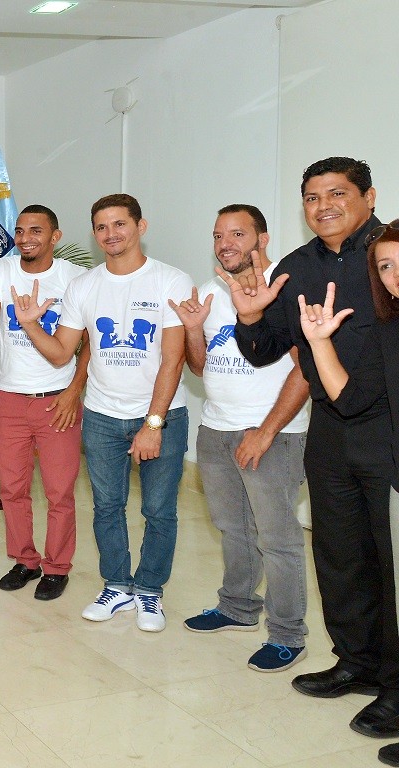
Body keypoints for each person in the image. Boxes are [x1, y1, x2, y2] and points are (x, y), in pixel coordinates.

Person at [230, 157, 398, 737]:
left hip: (387, 430)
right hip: (330, 431)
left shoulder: (389, 258)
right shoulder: (296, 267)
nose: (323, 205)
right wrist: (247, 318)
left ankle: (396, 687)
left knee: (391, 563)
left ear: (368, 196)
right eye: (311, 197)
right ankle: (356, 662)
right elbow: (265, 348)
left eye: (337, 193)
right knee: (339, 552)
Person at [11, 193, 190, 632]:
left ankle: (149, 592)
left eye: (119, 224)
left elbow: (173, 360)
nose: (111, 234)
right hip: (103, 416)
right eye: (102, 227)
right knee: (108, 507)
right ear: (94, 234)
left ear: (140, 226)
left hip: (161, 415)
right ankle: (117, 585)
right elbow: (61, 354)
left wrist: (153, 423)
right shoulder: (85, 286)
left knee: (159, 510)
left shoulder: (171, 280)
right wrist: (32, 323)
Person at [170, 204, 310, 672]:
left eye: (237, 234)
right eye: (217, 236)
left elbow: (307, 369)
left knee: (278, 538)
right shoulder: (212, 292)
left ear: (262, 239)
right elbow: (198, 365)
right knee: (233, 528)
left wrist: (265, 431)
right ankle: (236, 607)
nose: (225, 244)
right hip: (216, 427)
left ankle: (288, 633)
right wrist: (193, 330)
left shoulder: (286, 291)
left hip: (273, 433)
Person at [299, 220, 399, 764]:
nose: (394, 275)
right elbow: (350, 396)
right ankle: (364, 667)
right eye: (384, 267)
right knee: (348, 561)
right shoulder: (389, 329)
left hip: (384, 463)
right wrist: (318, 342)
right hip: (351, 450)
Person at [0, 204, 89, 601]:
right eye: (19, 230)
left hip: (57, 402)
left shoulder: (76, 279)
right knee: (13, 489)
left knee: (58, 492)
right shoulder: (4, 271)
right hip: (11, 401)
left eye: (36, 230)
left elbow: (91, 347)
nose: (25, 237)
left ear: (55, 236)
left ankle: (56, 567)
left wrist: (73, 391)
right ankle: (25, 560)